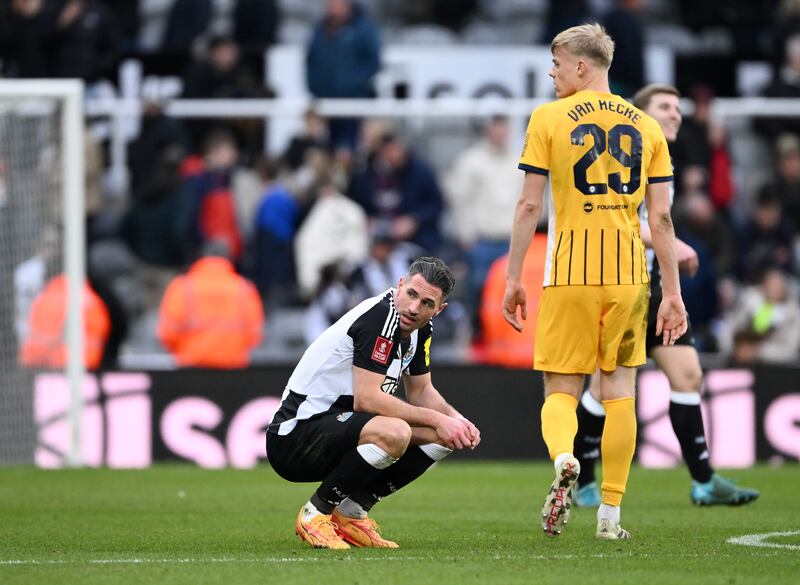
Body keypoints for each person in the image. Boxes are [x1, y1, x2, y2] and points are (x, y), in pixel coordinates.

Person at [502, 24, 687, 541]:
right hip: (630, 279)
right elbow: (664, 222)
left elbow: (528, 205)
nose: (552, 72)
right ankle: (610, 517)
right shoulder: (647, 127)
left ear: (582, 67)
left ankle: (565, 458)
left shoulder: (548, 118)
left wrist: (514, 277)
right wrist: (671, 294)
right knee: (620, 392)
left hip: (570, 274)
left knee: (561, 389)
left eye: (557, 63)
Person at [572, 84, 760, 509]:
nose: (675, 114)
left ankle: (704, 481)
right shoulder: (626, 157)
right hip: (621, 285)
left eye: (677, 108)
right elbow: (611, 218)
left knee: (688, 375)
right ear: (639, 115)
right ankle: (582, 479)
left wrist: (668, 252)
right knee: (606, 389)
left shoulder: (663, 158)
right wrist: (670, 244)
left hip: (655, 290)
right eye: (664, 107)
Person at [267, 257, 480, 549]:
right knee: (396, 432)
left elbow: (421, 391)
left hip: (338, 430)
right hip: (294, 437)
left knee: (444, 437)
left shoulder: (421, 330)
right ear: (400, 286)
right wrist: (437, 419)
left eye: (427, 303)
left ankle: (351, 513)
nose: (414, 308)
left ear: (439, 309)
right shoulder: (380, 316)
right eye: (412, 295)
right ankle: (315, 514)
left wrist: (456, 420)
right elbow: (367, 400)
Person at [157, 240, 264, 369]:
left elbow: (168, 333)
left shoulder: (182, 287)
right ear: (229, 259)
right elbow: (255, 334)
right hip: (234, 368)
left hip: (190, 367)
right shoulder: (244, 288)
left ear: (201, 257)